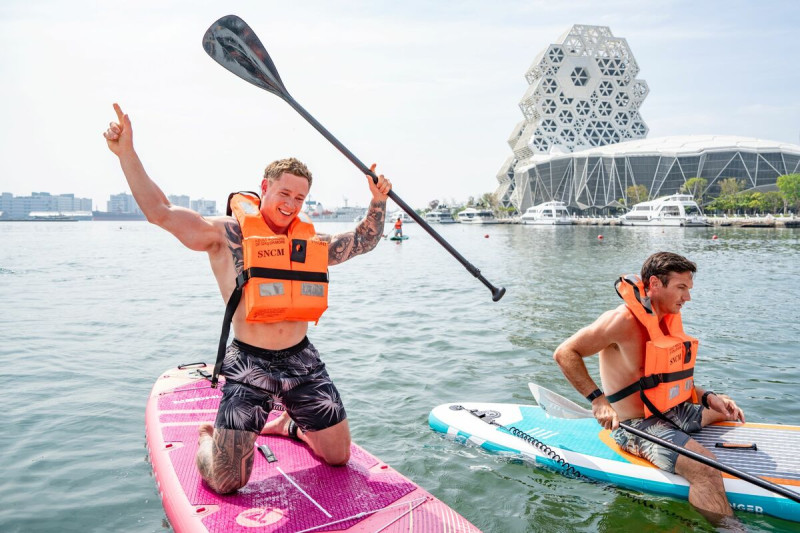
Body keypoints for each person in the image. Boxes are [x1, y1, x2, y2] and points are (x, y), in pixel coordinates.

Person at [104, 103, 392, 494]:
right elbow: (161, 212)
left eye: (300, 198)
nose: (291, 204)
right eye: (284, 193)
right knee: (225, 481)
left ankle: (287, 424)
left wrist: (378, 200)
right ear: (264, 188)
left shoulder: (310, 242)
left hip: (302, 362)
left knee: (338, 456)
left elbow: (362, 241)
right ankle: (210, 436)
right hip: (250, 364)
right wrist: (127, 154)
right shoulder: (225, 235)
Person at [553, 251, 745, 525]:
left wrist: (709, 397)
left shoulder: (664, 320)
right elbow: (565, 352)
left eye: (688, 289)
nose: (687, 298)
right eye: (681, 288)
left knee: (726, 409)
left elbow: (667, 380)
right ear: (655, 284)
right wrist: (598, 400)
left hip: (672, 410)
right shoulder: (621, 320)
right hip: (636, 427)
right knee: (706, 470)